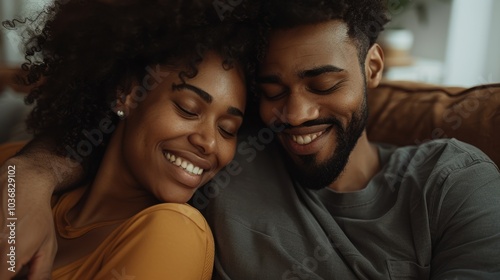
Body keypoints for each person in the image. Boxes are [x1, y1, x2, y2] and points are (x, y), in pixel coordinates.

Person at [2, 0, 500, 279]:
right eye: (273, 90)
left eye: (324, 84)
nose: (297, 113)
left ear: (372, 67)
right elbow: (127, 141)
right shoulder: (236, 152)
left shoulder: (451, 183)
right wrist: (28, 174)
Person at [0, 0, 256, 279]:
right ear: (128, 93)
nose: (208, 142)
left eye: (228, 129)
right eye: (188, 109)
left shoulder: (175, 231)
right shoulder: (17, 169)